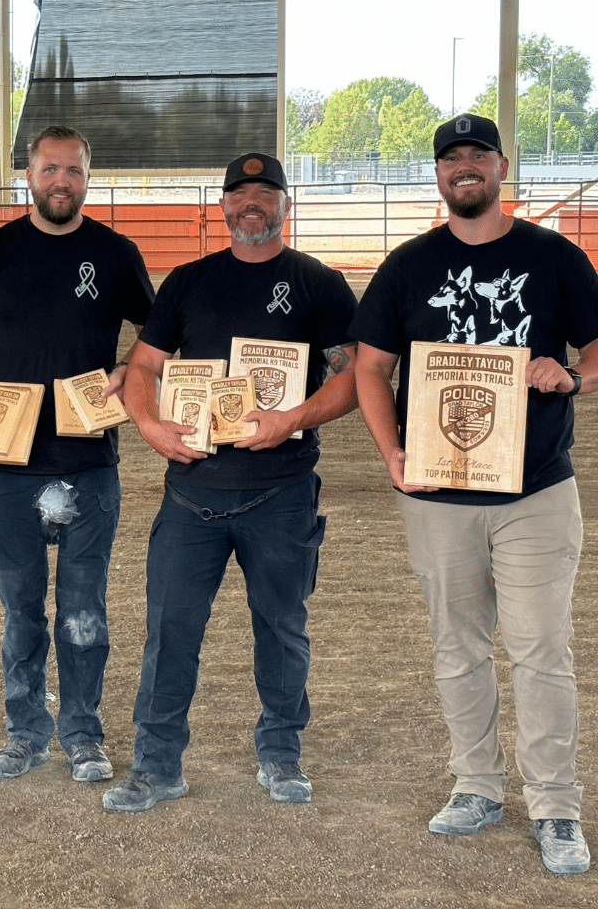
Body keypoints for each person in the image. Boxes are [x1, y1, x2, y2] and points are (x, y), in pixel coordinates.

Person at [352, 113, 598, 875]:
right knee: (457, 649)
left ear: (500, 167)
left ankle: (556, 805)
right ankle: (476, 785)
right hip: (435, 495)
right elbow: (369, 367)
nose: (465, 168)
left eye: (478, 156)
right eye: (452, 158)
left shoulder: (555, 256)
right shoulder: (406, 265)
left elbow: (596, 348)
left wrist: (575, 376)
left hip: (535, 490)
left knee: (541, 651)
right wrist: (392, 450)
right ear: (438, 173)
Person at [102, 152, 358, 813]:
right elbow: (143, 367)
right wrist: (152, 426)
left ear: (284, 203)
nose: (252, 202)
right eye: (239, 193)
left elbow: (353, 375)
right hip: (192, 494)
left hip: (281, 492)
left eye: (264, 192)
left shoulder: (320, 284)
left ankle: (281, 755)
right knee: (169, 632)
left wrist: (292, 418)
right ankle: (157, 765)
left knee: (282, 629)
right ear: (222, 206)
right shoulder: (186, 282)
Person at [0, 125, 154, 783]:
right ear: (28, 174)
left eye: (75, 171)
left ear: (89, 177)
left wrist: (126, 370)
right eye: (50, 169)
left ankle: (83, 734)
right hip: (9, 469)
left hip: (89, 465)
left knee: (84, 609)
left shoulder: (115, 253)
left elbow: (159, 336)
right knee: (23, 610)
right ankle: (25, 732)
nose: (62, 181)